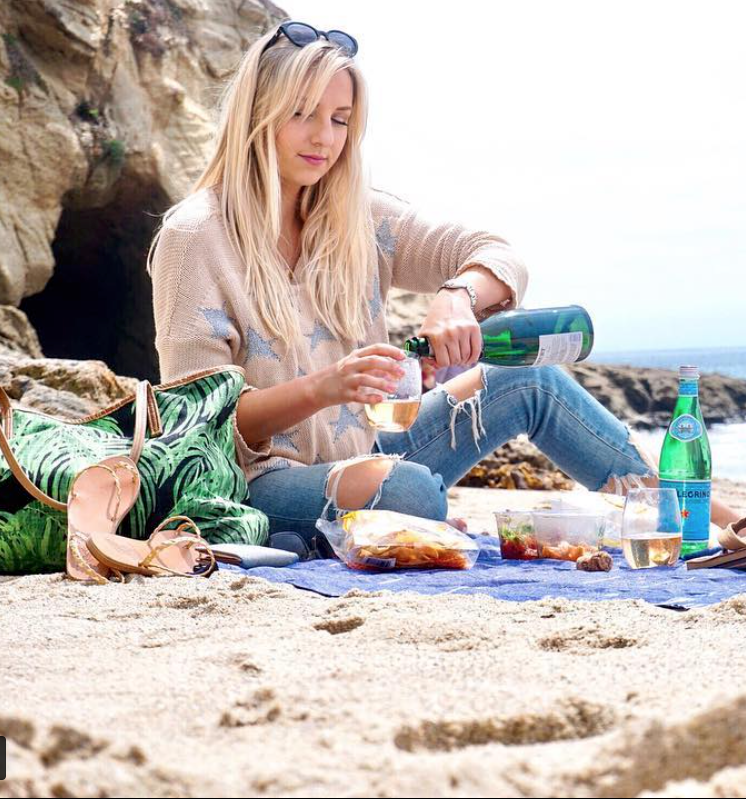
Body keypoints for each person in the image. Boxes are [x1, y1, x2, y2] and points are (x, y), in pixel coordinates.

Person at [149, 20, 742, 552]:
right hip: (253, 484)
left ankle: (714, 521)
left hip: (367, 455)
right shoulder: (194, 237)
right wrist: (325, 388)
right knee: (407, 492)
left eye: (340, 119)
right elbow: (195, 428)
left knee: (527, 380)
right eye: (302, 113)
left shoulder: (361, 220)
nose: (324, 137)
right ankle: (358, 526)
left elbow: (498, 256)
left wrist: (457, 296)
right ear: (259, 112)